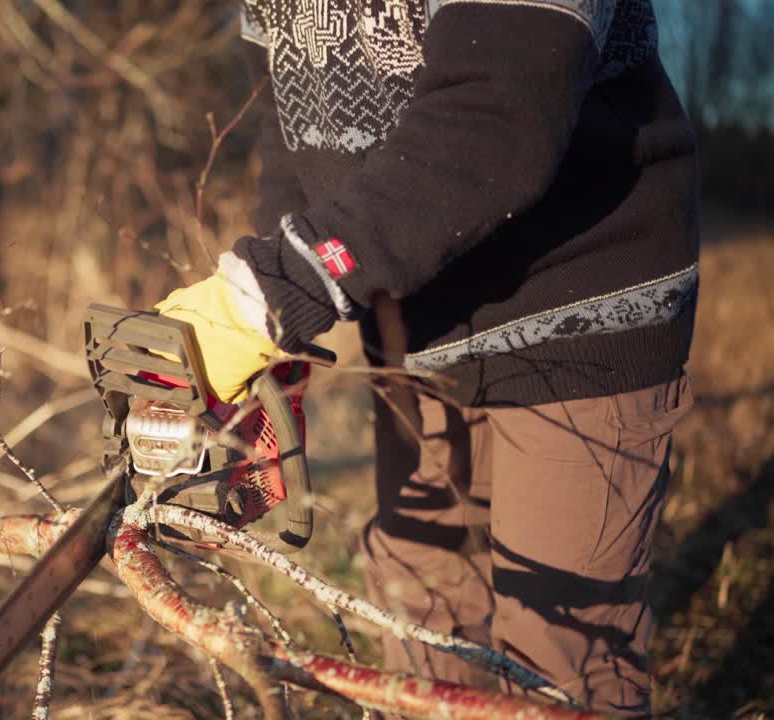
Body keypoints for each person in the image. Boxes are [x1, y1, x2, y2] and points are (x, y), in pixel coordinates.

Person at [153, 0, 698, 715]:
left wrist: (285, 286)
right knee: (422, 598)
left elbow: (498, 115)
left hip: (581, 300)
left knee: (561, 641)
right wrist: (274, 329)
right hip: (415, 309)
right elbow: (292, 134)